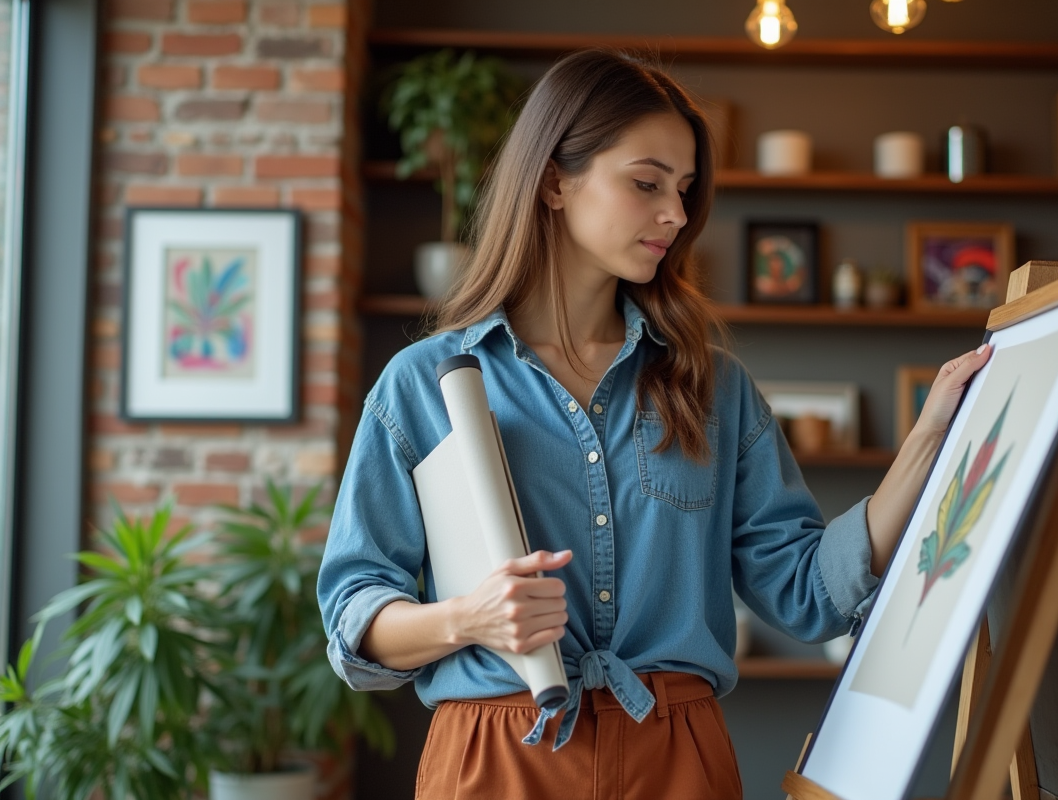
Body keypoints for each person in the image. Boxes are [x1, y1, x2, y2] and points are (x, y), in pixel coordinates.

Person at [317, 48, 991, 800]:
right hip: (496, 759)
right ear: (553, 181)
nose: (674, 213)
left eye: (684, 189)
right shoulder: (425, 385)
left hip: (679, 759)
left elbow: (807, 592)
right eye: (646, 184)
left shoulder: (711, 386)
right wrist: (470, 619)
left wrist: (930, 440)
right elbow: (354, 617)